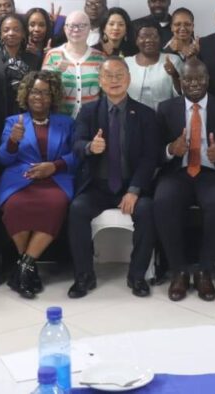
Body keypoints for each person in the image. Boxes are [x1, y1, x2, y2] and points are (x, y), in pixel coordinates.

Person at [67, 58, 159, 299]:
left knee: (148, 210)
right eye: (108, 76)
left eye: (119, 75)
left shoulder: (146, 115)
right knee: (77, 210)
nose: (114, 80)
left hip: (130, 186)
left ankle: (137, 275)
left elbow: (151, 157)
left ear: (129, 78)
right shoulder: (88, 112)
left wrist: (135, 190)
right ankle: (84, 275)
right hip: (97, 186)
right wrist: (90, 147)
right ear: (100, 81)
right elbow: (75, 145)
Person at [153, 59, 215, 302]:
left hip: (212, 173)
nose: (194, 84)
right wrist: (171, 149)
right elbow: (153, 152)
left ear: (207, 80)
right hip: (177, 173)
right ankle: (179, 271)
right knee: (163, 201)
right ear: (180, 82)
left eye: (199, 79)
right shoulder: (166, 109)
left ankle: (205, 270)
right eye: (188, 79)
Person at [0, 70, 78, 299]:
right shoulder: (13, 122)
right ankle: (28, 267)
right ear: (26, 94)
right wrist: (13, 140)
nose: (39, 97)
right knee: (14, 207)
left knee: (55, 204)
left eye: (45, 92)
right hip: (20, 180)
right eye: (34, 92)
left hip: (56, 180)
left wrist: (55, 166)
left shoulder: (66, 123)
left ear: (53, 96)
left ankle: (23, 268)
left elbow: (77, 155)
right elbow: (4, 159)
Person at [42, 11, 106, 118]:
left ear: (89, 29)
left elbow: (104, 93)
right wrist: (55, 72)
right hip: (60, 120)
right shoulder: (53, 55)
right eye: (71, 26)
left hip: (91, 121)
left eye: (82, 26)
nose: (76, 30)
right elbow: (43, 90)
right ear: (65, 29)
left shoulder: (100, 57)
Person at [125, 25, 181, 110]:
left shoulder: (173, 60)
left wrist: (174, 75)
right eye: (143, 37)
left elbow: (182, 95)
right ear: (136, 40)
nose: (148, 40)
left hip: (164, 117)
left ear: (160, 40)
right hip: (133, 118)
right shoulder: (126, 63)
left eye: (154, 36)